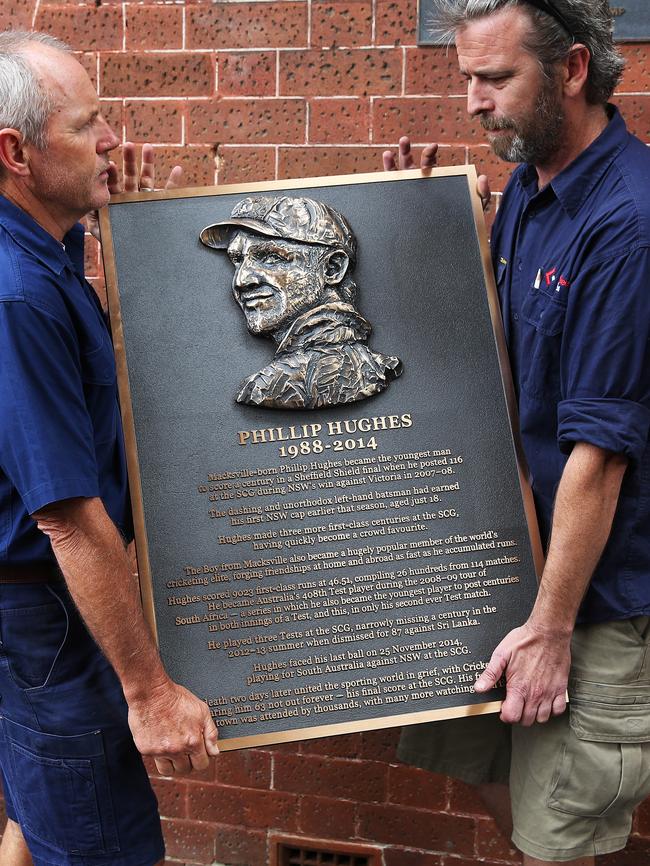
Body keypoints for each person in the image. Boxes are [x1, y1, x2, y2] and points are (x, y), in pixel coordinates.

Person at [383, 1, 650, 863]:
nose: (471, 101)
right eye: (465, 77)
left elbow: (600, 456)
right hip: (510, 569)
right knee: (498, 784)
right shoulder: (530, 192)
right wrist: (421, 228)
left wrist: (551, 627)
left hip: (590, 601)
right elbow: (495, 356)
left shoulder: (629, 223)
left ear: (573, 70)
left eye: (495, 78)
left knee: (568, 838)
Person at [0, 30, 219, 866]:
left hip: (43, 614)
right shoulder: (17, 295)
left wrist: (113, 228)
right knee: (97, 844)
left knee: (39, 813)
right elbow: (67, 517)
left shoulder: (41, 249)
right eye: (88, 125)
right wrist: (149, 691)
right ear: (17, 152)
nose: (114, 140)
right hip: (52, 616)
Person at [200, 194, 403, 409]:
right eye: (237, 260)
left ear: (332, 268)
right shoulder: (375, 367)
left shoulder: (268, 389)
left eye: (271, 258)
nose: (241, 281)